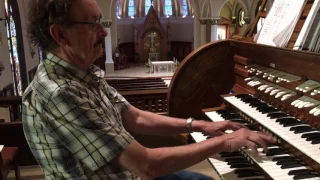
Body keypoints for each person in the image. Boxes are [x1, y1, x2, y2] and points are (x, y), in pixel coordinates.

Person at [22, 0, 276, 179]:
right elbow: (145, 164)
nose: (103, 31)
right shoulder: (58, 92)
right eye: (92, 24)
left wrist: (201, 125)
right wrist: (225, 142)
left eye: (101, 21)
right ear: (60, 35)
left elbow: (136, 116)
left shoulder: (83, 75)